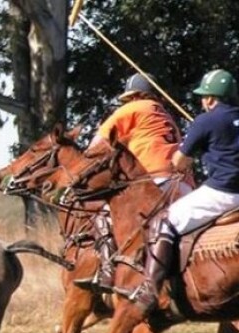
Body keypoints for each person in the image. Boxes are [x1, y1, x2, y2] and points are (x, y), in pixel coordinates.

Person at [75, 72, 191, 294]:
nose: (127, 102)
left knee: (104, 212)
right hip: (183, 185)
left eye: (128, 98)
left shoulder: (131, 109)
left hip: (151, 179)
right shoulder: (167, 116)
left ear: (135, 95)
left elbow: (96, 147)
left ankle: (107, 272)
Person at [134, 69, 239, 313]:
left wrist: (198, 142)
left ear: (211, 99)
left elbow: (179, 162)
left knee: (165, 221)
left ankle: (150, 289)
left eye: (204, 96)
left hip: (223, 193)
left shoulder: (206, 121)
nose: (203, 101)